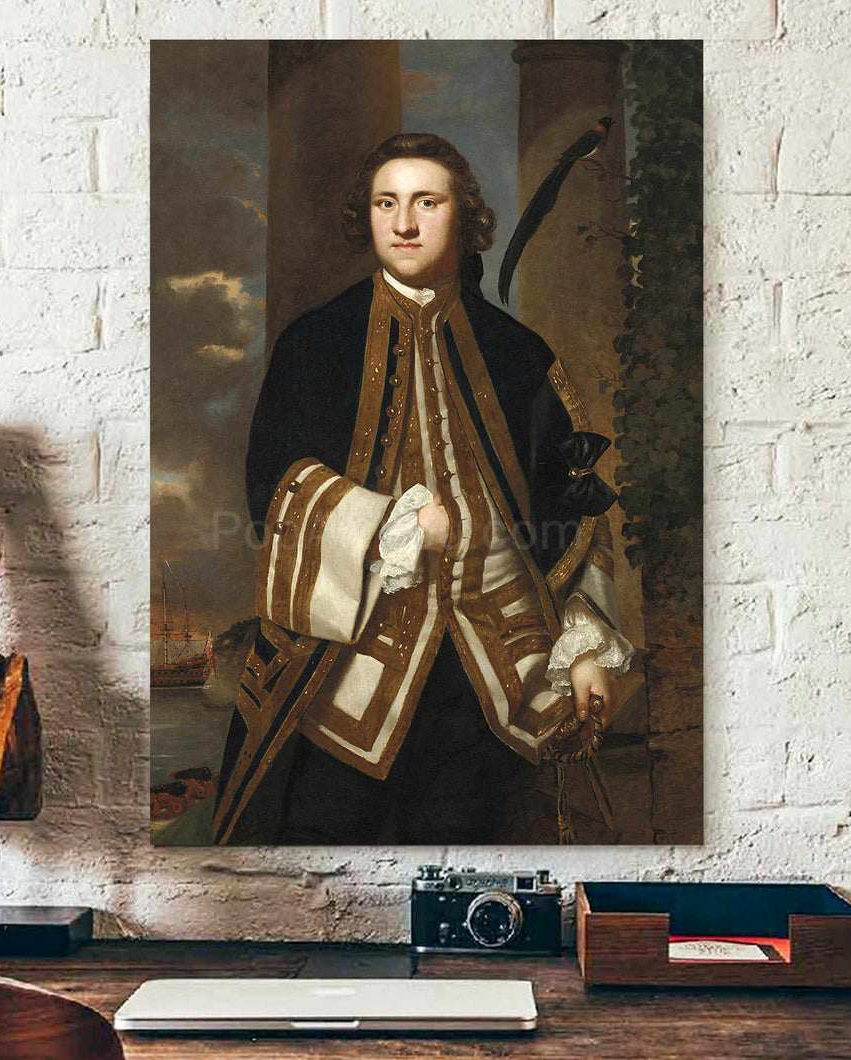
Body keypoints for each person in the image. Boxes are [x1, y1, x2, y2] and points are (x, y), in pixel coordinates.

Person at [211, 133, 634, 845]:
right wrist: (388, 525)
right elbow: (275, 491)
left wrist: (585, 646)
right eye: (387, 203)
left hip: (497, 674)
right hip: (345, 678)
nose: (404, 224)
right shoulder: (316, 344)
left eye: (426, 203)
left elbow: (574, 511)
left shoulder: (520, 355)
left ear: (464, 217)